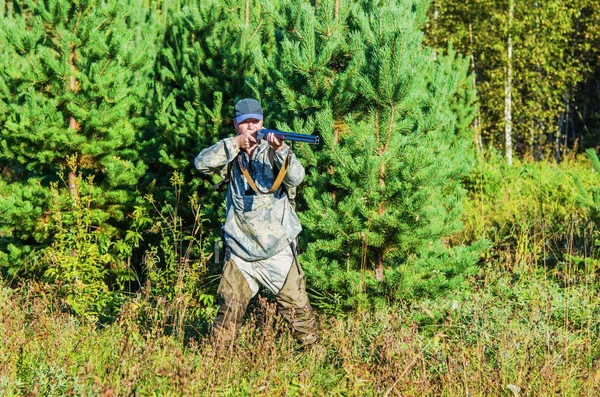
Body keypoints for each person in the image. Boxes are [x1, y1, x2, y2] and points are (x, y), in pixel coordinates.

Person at [194, 98, 318, 348]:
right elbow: (201, 163)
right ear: (236, 125)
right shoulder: (231, 151)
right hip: (240, 251)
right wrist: (236, 144)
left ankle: (316, 360)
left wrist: (281, 150)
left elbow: (296, 178)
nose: (251, 127)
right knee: (227, 312)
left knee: (298, 314)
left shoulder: (272, 150)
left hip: (277, 250)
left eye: (256, 122)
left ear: (262, 121)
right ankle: (215, 366)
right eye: (245, 123)